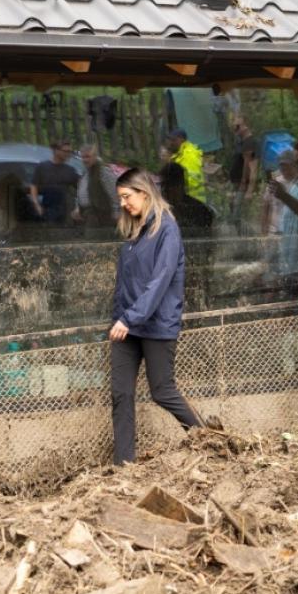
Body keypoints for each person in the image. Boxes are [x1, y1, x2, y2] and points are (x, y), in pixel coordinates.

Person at [109, 169, 202, 465]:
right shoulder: (134, 230)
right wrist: (120, 317)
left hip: (155, 324)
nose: (124, 204)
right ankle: (124, 465)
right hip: (127, 325)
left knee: (162, 391)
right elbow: (125, 281)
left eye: (127, 197)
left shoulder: (167, 229)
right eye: (120, 198)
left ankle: (206, 438)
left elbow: (160, 281)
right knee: (120, 394)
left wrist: (129, 318)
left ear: (144, 193)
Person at [267, 148, 298, 278]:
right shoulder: (295, 187)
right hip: (289, 264)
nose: (296, 167)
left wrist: (283, 196)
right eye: (295, 163)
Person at [29, 140, 80, 224]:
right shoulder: (42, 167)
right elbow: (34, 185)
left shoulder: (70, 170)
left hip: (65, 210)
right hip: (47, 208)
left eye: (70, 151)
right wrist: (36, 204)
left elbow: (81, 189)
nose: (68, 154)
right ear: (56, 150)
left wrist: (78, 208)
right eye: (66, 151)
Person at [73, 144, 119, 232]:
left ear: (94, 156)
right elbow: (81, 193)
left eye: (87, 157)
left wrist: (116, 212)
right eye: (83, 157)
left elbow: (115, 193)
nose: (85, 160)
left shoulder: (103, 172)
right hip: (88, 215)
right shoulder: (85, 173)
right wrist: (77, 208)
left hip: (102, 214)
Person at [229, 118, 259, 232]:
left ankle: (247, 239)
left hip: (242, 185)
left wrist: (248, 188)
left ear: (246, 126)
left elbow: (252, 167)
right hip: (236, 184)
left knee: (238, 215)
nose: (235, 130)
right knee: (235, 213)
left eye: (237, 127)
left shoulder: (250, 142)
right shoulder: (242, 142)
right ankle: (242, 236)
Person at [163, 129, 206, 203]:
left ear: (181, 140)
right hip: (185, 201)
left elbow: (193, 182)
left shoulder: (189, 155)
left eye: (173, 140)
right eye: (169, 140)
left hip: (194, 201)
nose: (170, 143)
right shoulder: (178, 155)